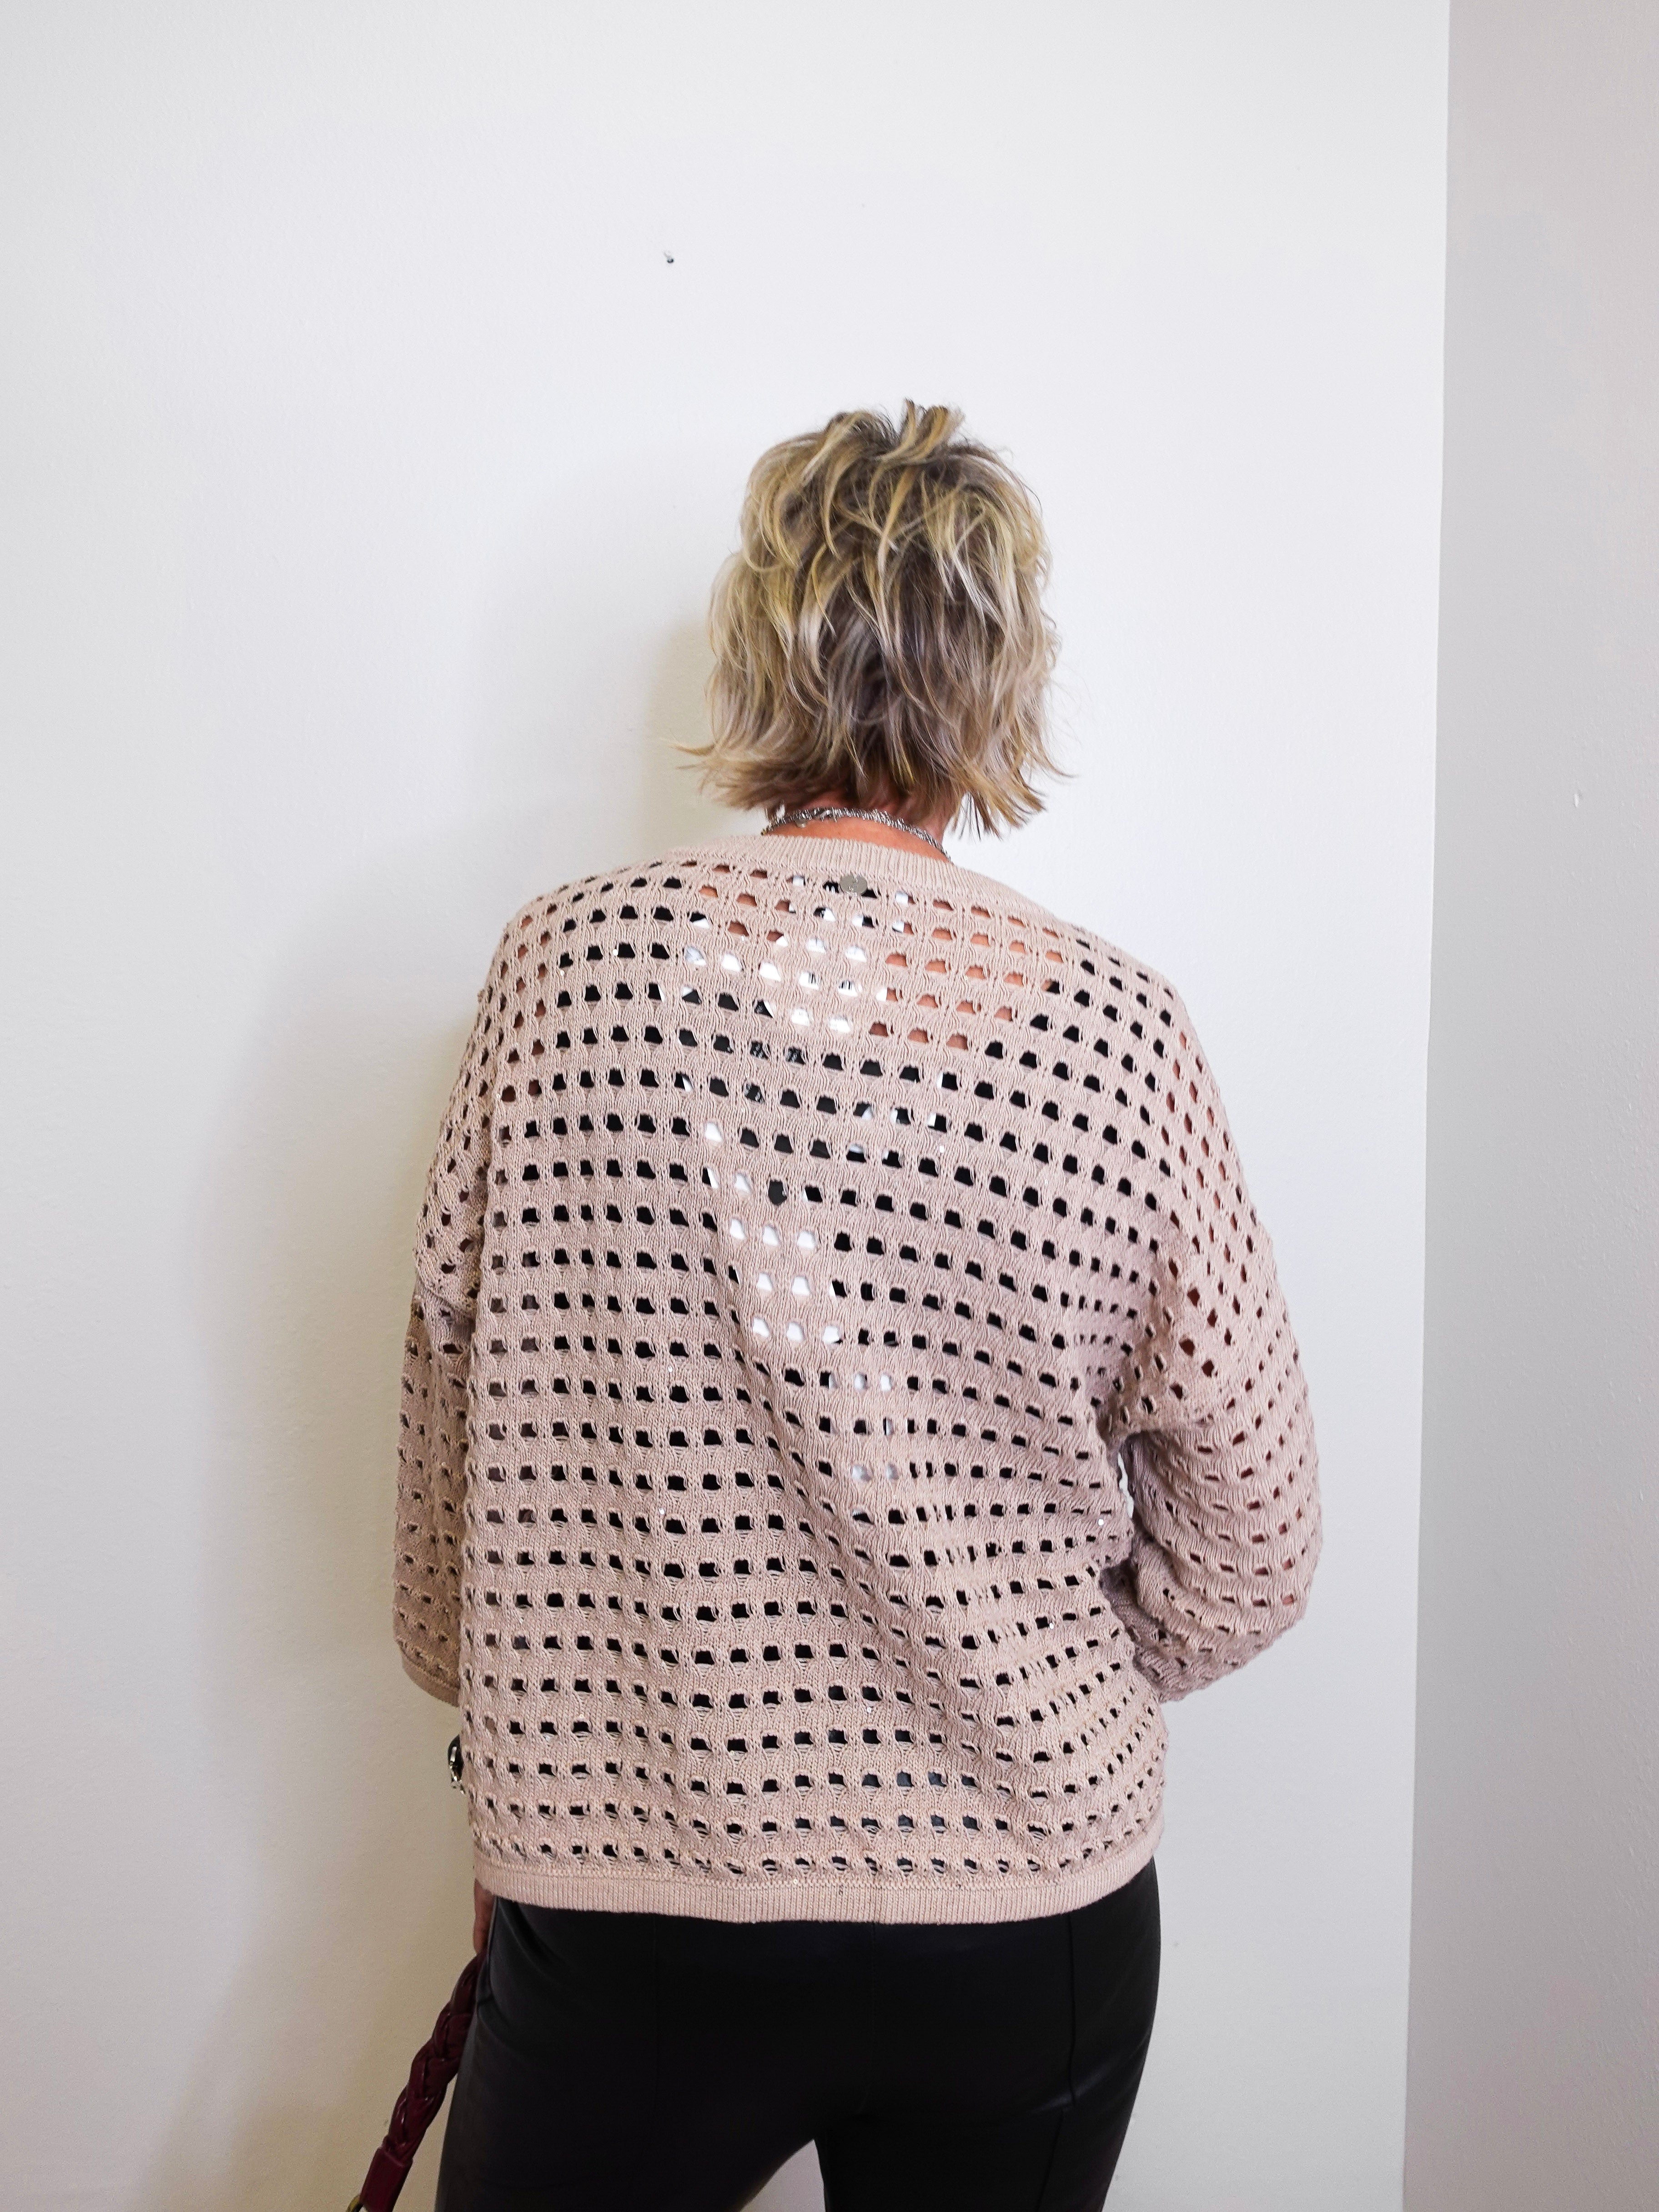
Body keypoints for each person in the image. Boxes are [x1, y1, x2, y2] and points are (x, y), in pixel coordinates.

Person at [393, 403, 1322, 2212]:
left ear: (762, 649)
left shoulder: (561, 975)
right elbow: (1256, 1542)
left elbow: (453, 1432)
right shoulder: (1115, 1033)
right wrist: (1014, 1672)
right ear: (1003, 677)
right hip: (1027, 1915)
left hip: (629, 1889)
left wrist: (533, 1716)